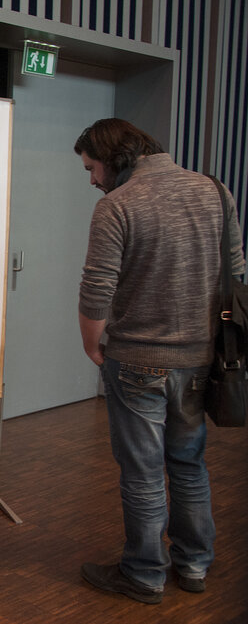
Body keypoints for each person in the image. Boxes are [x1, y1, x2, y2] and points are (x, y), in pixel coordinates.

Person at [75, 118, 245, 605]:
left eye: (91, 168)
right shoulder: (216, 192)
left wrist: (91, 345)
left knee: (143, 472)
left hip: (136, 360)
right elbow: (235, 273)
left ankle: (145, 574)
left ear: (113, 157)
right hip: (200, 359)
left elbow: (97, 289)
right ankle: (194, 564)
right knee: (189, 464)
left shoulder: (117, 205)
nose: (92, 180)